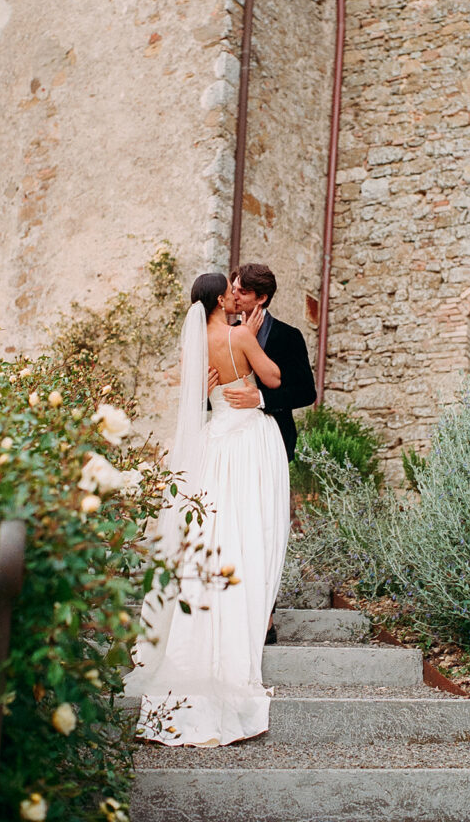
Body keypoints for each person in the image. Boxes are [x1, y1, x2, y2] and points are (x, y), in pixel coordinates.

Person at [123, 273, 290, 747]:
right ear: (221, 298)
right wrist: (253, 350)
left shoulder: (196, 345)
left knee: (215, 529)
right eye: (229, 291)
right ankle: (242, 612)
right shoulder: (240, 334)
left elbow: (197, 400)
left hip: (216, 441)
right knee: (247, 526)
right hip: (248, 441)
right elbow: (275, 379)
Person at [222, 263, 316, 643]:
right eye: (232, 288)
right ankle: (227, 609)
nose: (233, 296)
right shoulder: (223, 335)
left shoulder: (289, 337)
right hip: (230, 444)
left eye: (242, 291)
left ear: (261, 297)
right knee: (231, 527)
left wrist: (261, 398)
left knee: (264, 526)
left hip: (272, 443)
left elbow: (306, 392)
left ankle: (266, 617)